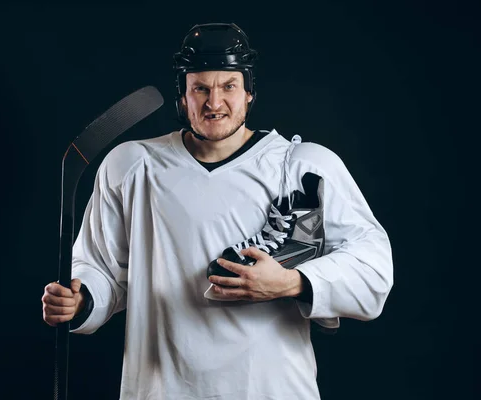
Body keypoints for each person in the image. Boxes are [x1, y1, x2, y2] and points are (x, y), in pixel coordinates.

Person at [42, 22, 393, 399]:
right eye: (200, 88)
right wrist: (80, 301)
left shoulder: (303, 167)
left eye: (228, 86)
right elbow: (100, 269)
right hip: (162, 389)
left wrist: (291, 282)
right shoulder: (132, 166)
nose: (214, 102)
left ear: (249, 93)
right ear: (183, 95)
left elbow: (373, 269)